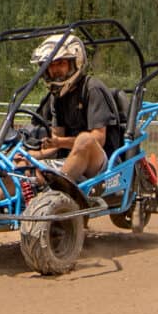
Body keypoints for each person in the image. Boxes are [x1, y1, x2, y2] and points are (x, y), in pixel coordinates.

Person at [28, 34, 123, 194]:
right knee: (18, 159)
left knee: (85, 139)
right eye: (50, 65)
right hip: (70, 162)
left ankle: (55, 193)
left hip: (101, 166)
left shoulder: (92, 89)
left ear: (75, 62)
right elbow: (55, 143)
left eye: (60, 63)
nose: (54, 69)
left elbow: (98, 139)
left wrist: (59, 143)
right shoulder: (57, 97)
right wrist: (32, 155)